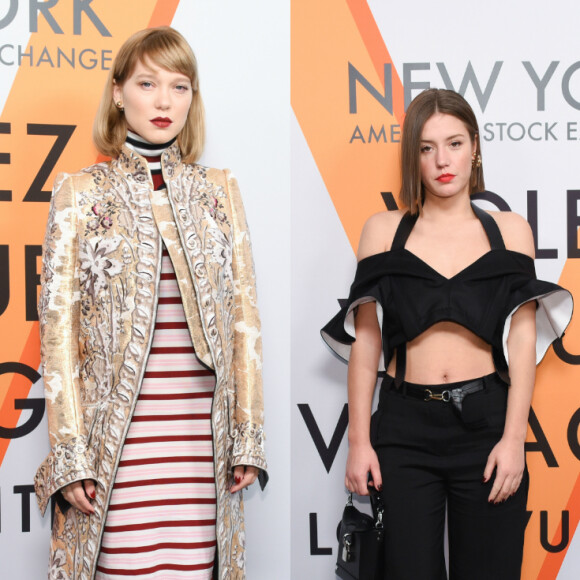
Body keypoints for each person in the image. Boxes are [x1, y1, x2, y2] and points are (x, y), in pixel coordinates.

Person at [34, 26, 267, 580]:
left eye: (179, 86)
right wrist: (70, 454)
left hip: (199, 446)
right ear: (118, 93)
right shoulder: (80, 192)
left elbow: (244, 323)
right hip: (117, 447)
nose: (164, 101)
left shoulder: (220, 191)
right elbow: (58, 332)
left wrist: (247, 437)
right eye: (147, 83)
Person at [322, 88, 572, 579]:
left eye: (454, 144)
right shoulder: (383, 231)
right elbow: (366, 342)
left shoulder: (510, 230)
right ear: (413, 155)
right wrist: (358, 442)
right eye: (427, 147)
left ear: (475, 147)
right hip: (404, 429)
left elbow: (522, 343)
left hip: (486, 428)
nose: (442, 160)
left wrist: (513, 438)